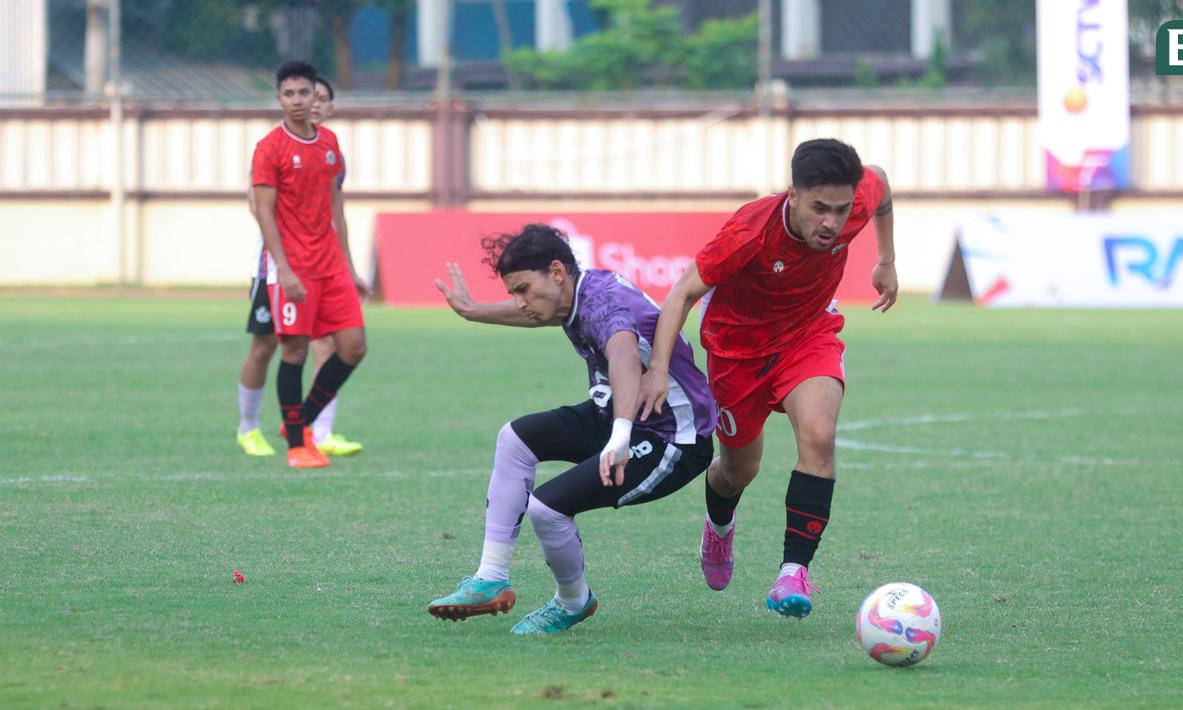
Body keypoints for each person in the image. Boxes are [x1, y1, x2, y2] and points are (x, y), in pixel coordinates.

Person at [638, 138, 898, 619]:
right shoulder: (748, 232)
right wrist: (657, 371)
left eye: (840, 211)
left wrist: (886, 260)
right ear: (793, 195)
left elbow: (880, 185)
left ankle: (792, 573)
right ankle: (719, 526)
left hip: (808, 334)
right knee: (739, 470)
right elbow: (681, 294)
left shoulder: (857, 199)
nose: (832, 223)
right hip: (737, 353)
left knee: (819, 438)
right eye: (820, 208)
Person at [427, 224, 717, 634]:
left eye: (524, 289)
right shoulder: (577, 296)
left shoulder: (602, 304)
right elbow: (536, 316)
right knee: (515, 439)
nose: (520, 302)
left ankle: (573, 601)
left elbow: (624, 355)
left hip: (671, 438)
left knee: (548, 509)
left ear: (557, 272)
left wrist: (620, 437)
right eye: (514, 292)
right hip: (616, 415)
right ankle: (490, 576)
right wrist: (473, 311)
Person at [235, 74, 363, 458]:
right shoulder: (272, 148)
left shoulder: (330, 150)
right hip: (276, 267)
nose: (307, 102)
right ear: (280, 99)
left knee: (338, 346)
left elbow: (336, 211)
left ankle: (315, 427)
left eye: (314, 96)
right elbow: (260, 207)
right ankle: (250, 427)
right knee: (268, 347)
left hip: (326, 267)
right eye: (292, 94)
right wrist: (284, 266)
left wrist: (348, 268)